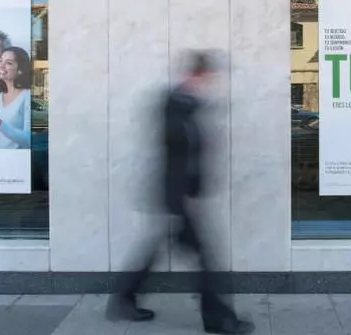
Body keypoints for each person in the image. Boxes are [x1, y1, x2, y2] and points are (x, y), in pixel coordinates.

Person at [106, 50, 254, 335]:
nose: (211, 82)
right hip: (175, 195)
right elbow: (176, 143)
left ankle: (124, 299)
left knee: (156, 249)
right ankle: (218, 319)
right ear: (197, 74)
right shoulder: (174, 103)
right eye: (208, 76)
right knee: (206, 258)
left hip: (179, 195)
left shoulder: (185, 104)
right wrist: (194, 109)